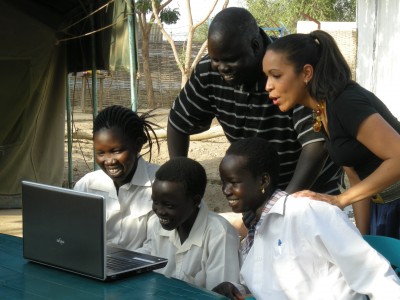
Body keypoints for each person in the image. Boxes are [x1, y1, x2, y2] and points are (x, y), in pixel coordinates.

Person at [167, 7, 343, 234]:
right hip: (259, 192)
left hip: (311, 191)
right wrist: (181, 185)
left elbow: (315, 145)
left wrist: (281, 205)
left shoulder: (288, 67)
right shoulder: (208, 73)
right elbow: (178, 122)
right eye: (215, 60)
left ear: (256, 46)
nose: (221, 68)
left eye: (230, 60)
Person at [213, 137, 400, 300]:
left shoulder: (307, 212)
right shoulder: (254, 236)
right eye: (223, 182)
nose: (226, 190)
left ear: (263, 181)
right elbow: (266, 287)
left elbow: (373, 274)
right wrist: (234, 288)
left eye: (234, 182)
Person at [262, 30, 400, 238]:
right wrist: (363, 240)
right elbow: (355, 177)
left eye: (276, 75)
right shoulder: (320, 111)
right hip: (381, 206)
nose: (268, 86)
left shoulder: (345, 102)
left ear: (307, 73)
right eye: (267, 77)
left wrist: (340, 199)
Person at [136, 157, 240, 290]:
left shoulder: (220, 234)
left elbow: (220, 294)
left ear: (195, 201)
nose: (160, 211)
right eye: (155, 202)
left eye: (169, 205)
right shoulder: (158, 225)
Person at [74, 105, 160, 250]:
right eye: (101, 153)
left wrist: (122, 265)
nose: (109, 160)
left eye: (117, 151)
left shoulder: (160, 185)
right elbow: (74, 233)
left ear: (138, 145)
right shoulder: (86, 185)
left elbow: (157, 245)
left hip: (142, 267)